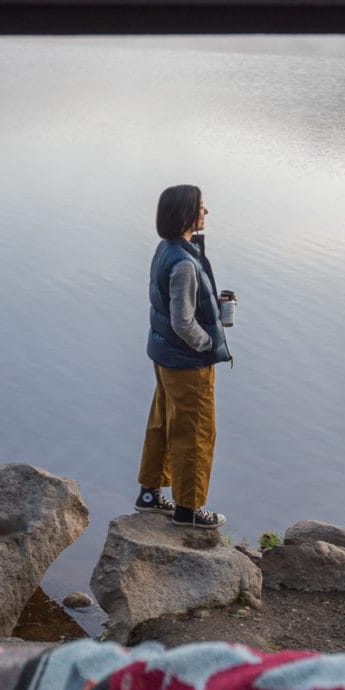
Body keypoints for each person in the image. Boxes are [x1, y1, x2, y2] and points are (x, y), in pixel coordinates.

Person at [134, 184, 232, 529]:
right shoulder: (185, 263)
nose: (206, 212)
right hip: (187, 362)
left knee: (162, 421)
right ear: (187, 213)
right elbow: (182, 321)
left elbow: (176, 307)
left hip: (164, 357)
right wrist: (207, 344)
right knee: (195, 431)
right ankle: (188, 510)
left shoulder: (168, 249)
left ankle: (150, 493)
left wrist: (214, 308)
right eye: (202, 207)